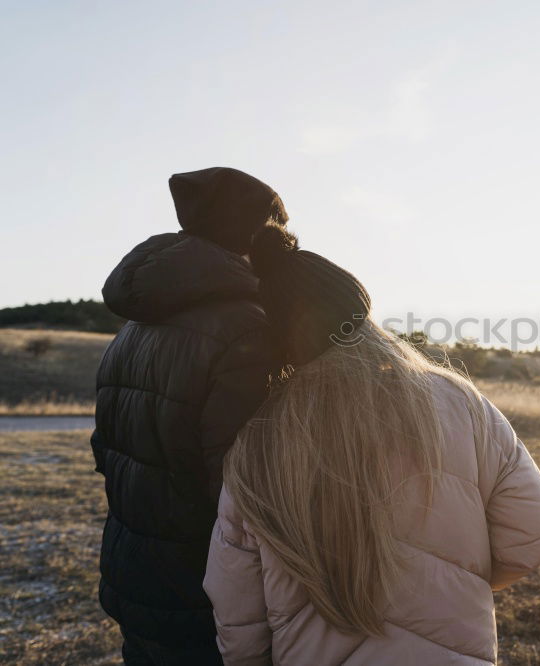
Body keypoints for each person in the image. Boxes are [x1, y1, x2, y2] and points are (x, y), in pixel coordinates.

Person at [202, 223, 540, 665]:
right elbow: (530, 533)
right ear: (363, 313)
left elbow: (235, 603)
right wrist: (458, 580)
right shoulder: (460, 402)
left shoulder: (257, 444)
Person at [91, 167, 288, 665]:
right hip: (200, 582)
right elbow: (238, 489)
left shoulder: (135, 325)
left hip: (132, 565)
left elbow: (105, 448)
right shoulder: (244, 328)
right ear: (250, 235)